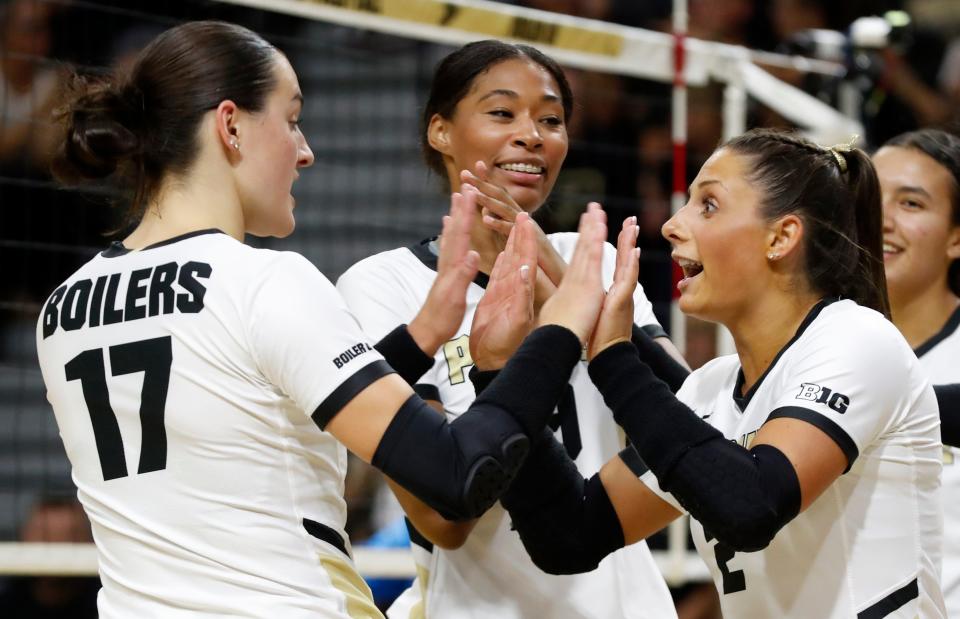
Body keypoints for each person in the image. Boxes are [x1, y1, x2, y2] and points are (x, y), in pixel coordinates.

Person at [36, 21, 612, 618]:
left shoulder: (61, 309)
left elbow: (250, 406)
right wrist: (560, 330)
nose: (306, 150)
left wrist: (418, 339)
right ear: (230, 125)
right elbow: (456, 476)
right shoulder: (264, 281)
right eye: (290, 120)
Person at [493, 128, 946, 618]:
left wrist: (615, 358)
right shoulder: (708, 390)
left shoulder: (857, 338)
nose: (671, 225)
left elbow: (751, 507)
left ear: (782, 236)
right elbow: (569, 536)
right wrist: (499, 372)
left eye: (708, 205)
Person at [337, 39, 684, 619]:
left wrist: (565, 287)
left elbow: (695, 427)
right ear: (440, 131)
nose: (532, 134)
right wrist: (521, 358)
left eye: (551, 119)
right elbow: (444, 518)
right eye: (502, 113)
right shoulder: (383, 286)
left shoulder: (590, 259)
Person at [874, 128, 960, 616]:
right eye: (869, 196)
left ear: (956, 238)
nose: (879, 219)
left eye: (910, 204)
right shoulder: (811, 342)